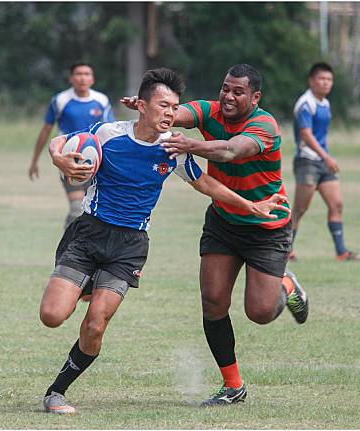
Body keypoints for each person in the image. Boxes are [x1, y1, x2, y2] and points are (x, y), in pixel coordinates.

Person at [40, 68, 291, 414]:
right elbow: (61, 141)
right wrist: (58, 157)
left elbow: (207, 183)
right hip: (88, 235)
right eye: (163, 106)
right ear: (142, 106)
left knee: (96, 323)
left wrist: (252, 205)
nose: (171, 114)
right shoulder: (108, 133)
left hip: (129, 248)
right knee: (51, 315)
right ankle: (86, 283)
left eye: (174, 108)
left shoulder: (173, 149)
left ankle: (56, 393)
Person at [122, 63, 310, 406]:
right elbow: (177, 113)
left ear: (255, 97)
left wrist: (188, 145)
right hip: (224, 221)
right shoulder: (209, 110)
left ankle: (286, 284)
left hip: (267, 227)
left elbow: (229, 150)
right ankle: (232, 386)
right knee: (212, 301)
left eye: (238, 92)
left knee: (260, 312)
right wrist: (150, 106)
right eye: (225, 88)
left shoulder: (263, 125)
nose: (228, 96)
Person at [290, 62, 360, 262]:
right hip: (307, 161)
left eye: (329, 79)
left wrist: (325, 157)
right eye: (322, 79)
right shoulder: (306, 103)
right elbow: (305, 135)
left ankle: (341, 252)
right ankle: (285, 250)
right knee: (299, 209)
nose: (326, 83)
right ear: (311, 80)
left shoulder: (325, 103)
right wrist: (326, 156)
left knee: (336, 204)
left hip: (323, 160)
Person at [28, 63, 115, 229]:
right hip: (68, 160)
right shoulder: (61, 100)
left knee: (93, 210)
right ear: (71, 78)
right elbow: (46, 130)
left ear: (92, 78)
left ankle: (89, 248)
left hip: (97, 161)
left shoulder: (101, 100)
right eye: (78, 74)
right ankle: (69, 247)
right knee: (77, 209)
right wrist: (34, 161)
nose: (82, 77)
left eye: (87, 74)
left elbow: (111, 130)